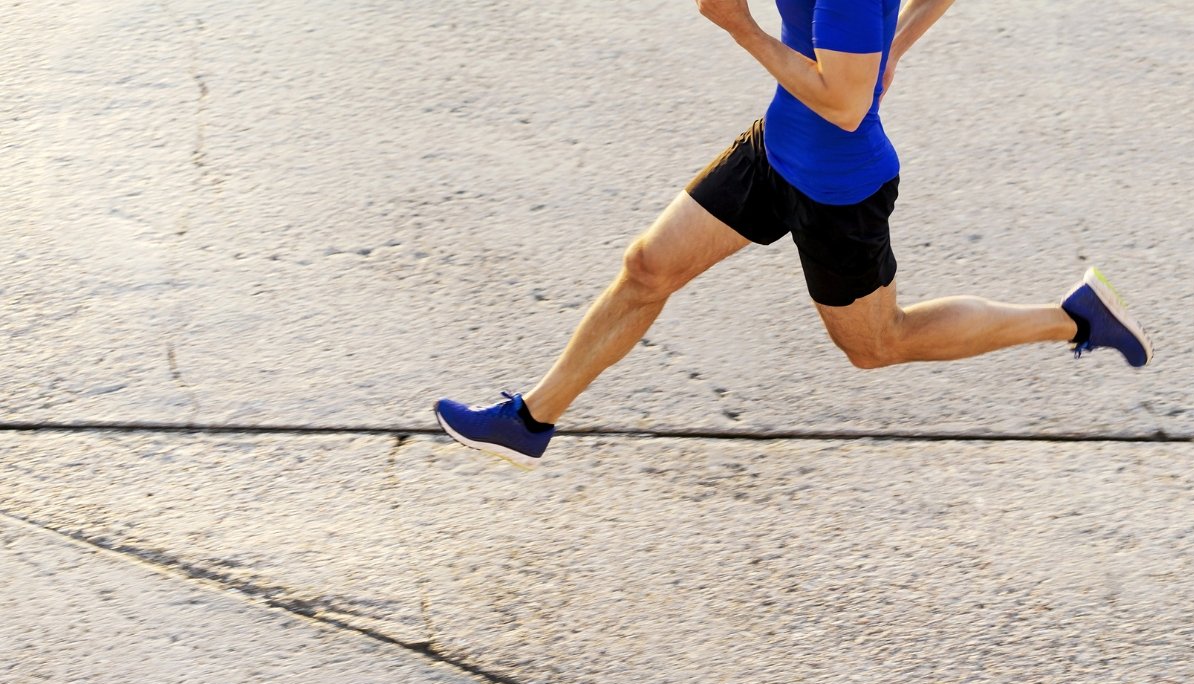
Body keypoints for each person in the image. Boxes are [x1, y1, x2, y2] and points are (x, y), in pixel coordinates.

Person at [435, 0, 1152, 468]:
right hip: (776, 148)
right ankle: (530, 421)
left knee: (878, 343)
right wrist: (893, 47)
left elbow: (842, 105)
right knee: (649, 266)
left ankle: (1071, 319)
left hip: (839, 187)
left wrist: (740, 29)